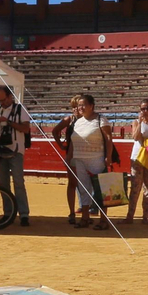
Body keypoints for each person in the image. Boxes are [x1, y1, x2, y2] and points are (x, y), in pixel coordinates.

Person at [69, 93, 115, 230]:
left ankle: (103, 220)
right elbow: (72, 141)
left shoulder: (101, 119)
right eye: (79, 105)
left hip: (96, 158)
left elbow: (108, 139)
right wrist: (70, 157)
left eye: (83, 105)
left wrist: (109, 156)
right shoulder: (78, 121)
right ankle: (85, 218)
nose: (81, 107)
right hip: (79, 158)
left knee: (100, 190)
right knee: (83, 188)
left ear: (91, 106)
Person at [0, 85, 32, 227]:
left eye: (3, 100)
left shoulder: (20, 109)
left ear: (10, 97)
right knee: (3, 184)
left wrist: (7, 121)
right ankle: (8, 213)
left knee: (18, 183)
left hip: (16, 150)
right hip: (1, 150)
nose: (1, 103)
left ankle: (24, 214)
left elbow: (25, 128)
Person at [125, 98, 148, 224]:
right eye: (142, 109)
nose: (145, 111)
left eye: (147, 108)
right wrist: (140, 123)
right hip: (137, 158)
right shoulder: (136, 122)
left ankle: (145, 217)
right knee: (135, 188)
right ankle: (130, 217)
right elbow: (135, 137)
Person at [51, 95, 84, 225]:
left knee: (85, 184)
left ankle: (85, 212)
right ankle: (71, 212)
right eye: (74, 107)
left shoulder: (87, 120)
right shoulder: (69, 120)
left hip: (84, 154)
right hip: (72, 154)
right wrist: (61, 145)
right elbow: (55, 131)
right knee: (73, 183)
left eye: (78, 106)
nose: (76, 109)